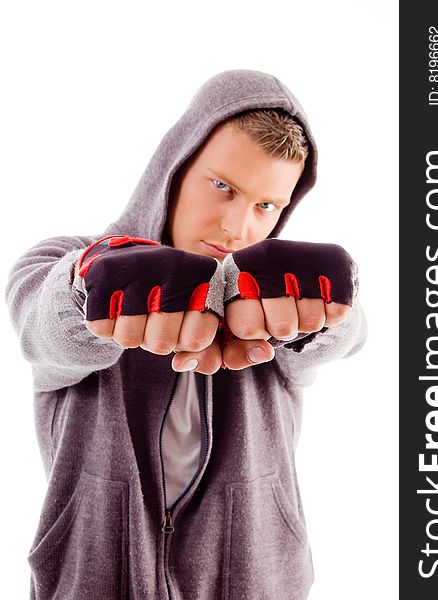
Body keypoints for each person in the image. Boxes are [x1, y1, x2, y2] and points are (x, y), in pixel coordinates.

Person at [5, 69, 367, 600]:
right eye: (223, 187)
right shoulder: (63, 261)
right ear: (173, 169)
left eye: (266, 206)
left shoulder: (273, 294)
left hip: (256, 577)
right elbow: (41, 325)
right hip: (93, 576)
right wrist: (95, 284)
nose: (238, 227)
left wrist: (329, 305)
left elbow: (348, 336)